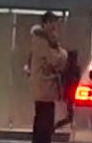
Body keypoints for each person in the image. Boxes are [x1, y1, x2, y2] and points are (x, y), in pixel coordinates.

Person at [29, 11, 67, 143]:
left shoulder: (45, 40)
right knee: (44, 123)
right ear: (46, 23)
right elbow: (56, 61)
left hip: (44, 89)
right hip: (44, 88)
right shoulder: (42, 41)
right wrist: (63, 53)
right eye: (52, 22)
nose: (55, 26)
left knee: (43, 121)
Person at [53, 48, 80, 131]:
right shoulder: (72, 69)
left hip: (70, 93)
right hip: (71, 93)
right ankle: (57, 126)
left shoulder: (68, 68)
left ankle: (58, 125)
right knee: (70, 115)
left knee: (70, 114)